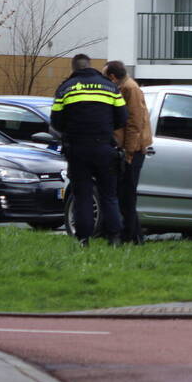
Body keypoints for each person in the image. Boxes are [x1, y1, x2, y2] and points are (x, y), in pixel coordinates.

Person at [50, 53, 127, 246]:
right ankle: (115, 238)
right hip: (104, 147)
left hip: (78, 148)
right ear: (91, 66)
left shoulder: (66, 88)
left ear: (73, 68)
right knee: (109, 195)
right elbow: (122, 118)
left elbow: (56, 121)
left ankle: (83, 238)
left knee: (82, 195)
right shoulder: (110, 87)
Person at [103, 60, 152, 245]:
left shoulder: (129, 89)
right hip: (128, 148)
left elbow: (134, 123)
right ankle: (136, 237)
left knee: (127, 195)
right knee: (124, 195)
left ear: (112, 77)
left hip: (132, 150)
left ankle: (129, 237)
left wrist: (129, 152)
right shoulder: (126, 87)